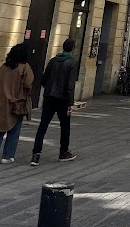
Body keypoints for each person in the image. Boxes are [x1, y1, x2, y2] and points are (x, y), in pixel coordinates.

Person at [30, 38, 78, 166]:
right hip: (63, 99)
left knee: (43, 125)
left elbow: (44, 78)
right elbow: (70, 85)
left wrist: (49, 89)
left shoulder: (53, 60)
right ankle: (63, 152)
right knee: (65, 126)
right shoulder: (72, 62)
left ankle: (36, 154)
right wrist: (70, 103)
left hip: (49, 97)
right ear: (72, 48)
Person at [0, 43, 34, 164]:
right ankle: (7, 155)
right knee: (14, 129)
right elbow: (28, 83)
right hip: (16, 102)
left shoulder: (4, 66)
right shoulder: (24, 67)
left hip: (1, 101)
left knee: (2, 125)